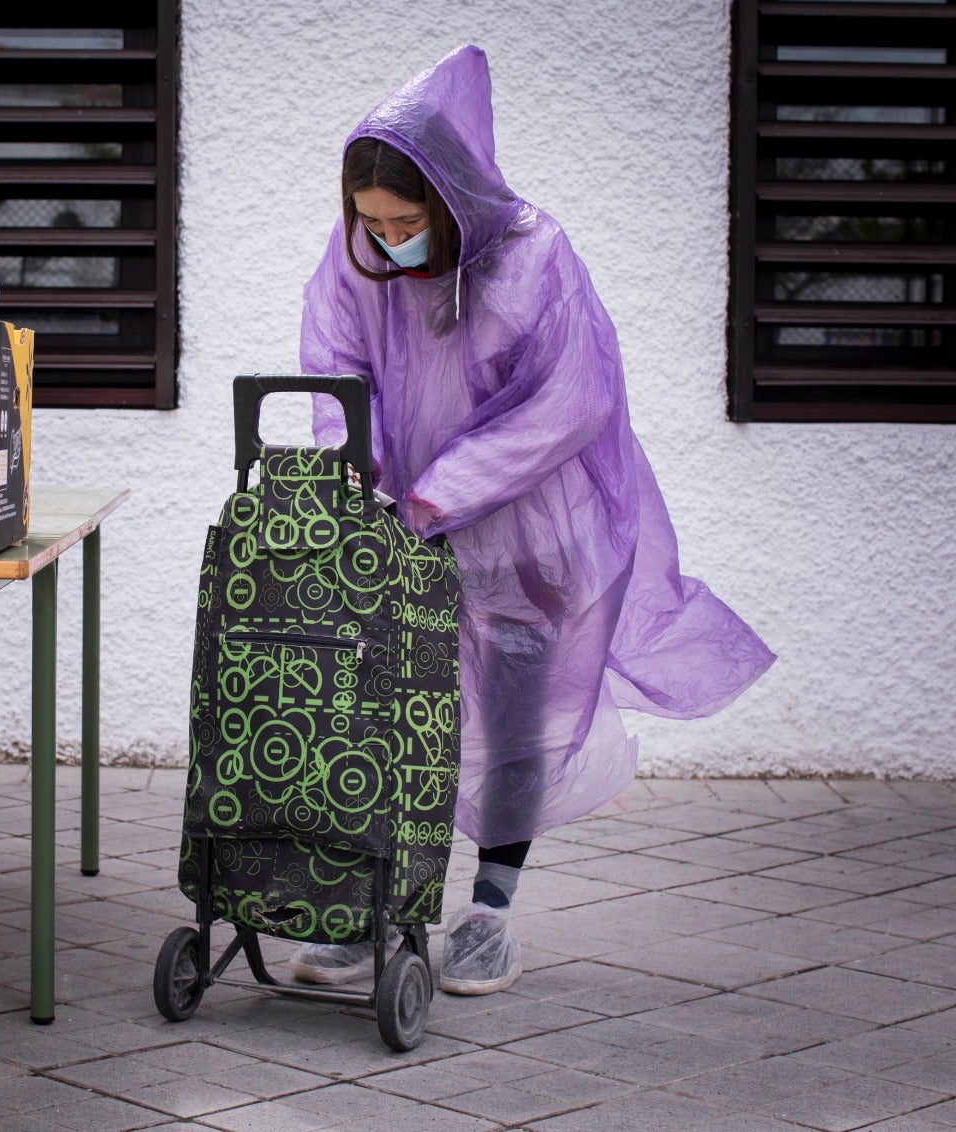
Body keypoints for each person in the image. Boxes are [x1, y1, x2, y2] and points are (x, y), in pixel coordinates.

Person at [286, 45, 776, 994]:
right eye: (370, 222)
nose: (386, 240)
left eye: (405, 221)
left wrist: (438, 494)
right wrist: (363, 467)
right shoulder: (358, 259)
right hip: (404, 523)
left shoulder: (534, 256)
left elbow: (566, 404)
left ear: (451, 199)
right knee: (387, 713)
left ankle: (489, 912)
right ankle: (374, 904)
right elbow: (333, 361)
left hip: (530, 539)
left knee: (512, 722)